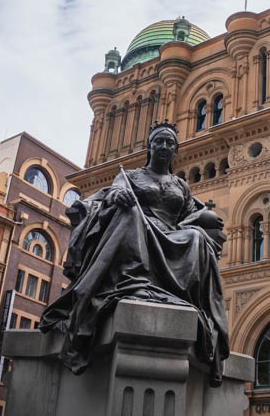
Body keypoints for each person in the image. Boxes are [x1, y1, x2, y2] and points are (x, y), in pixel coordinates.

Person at [40, 121, 229, 385]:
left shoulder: (180, 185)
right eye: (159, 141)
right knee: (130, 215)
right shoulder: (130, 176)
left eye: (169, 142)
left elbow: (190, 215)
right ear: (149, 147)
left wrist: (206, 218)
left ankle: (173, 293)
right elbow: (111, 193)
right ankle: (135, 281)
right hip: (137, 227)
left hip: (170, 234)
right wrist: (118, 197)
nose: (163, 146)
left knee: (196, 237)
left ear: (176, 150)